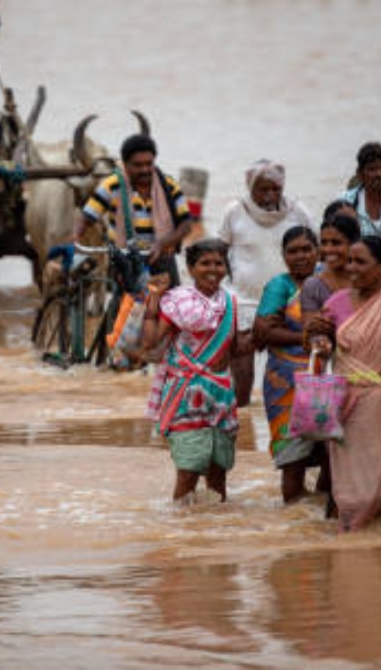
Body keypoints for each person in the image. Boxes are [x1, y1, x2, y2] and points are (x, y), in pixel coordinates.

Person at [305, 235, 381, 532]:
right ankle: (355, 549)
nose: (350, 268)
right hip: (355, 405)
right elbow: (316, 343)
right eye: (349, 260)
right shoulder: (335, 304)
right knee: (361, 493)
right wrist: (317, 340)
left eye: (360, 261)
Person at [140, 238, 242, 503]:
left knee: (219, 474)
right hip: (186, 397)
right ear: (190, 267)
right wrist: (154, 300)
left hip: (220, 397)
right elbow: (151, 342)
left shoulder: (231, 302)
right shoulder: (177, 302)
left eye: (219, 263)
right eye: (204, 263)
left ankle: (210, 536)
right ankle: (182, 533)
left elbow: (234, 350)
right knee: (188, 473)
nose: (213, 269)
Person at [216, 160, 314, 406]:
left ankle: (293, 408)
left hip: (287, 298)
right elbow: (220, 250)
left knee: (290, 358)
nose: (270, 195)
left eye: (276, 189)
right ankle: (243, 414)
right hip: (243, 299)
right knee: (242, 360)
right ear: (250, 187)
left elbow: (316, 247)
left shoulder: (297, 211)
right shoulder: (234, 211)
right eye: (263, 189)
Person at [255, 226, 326, 503]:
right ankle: (294, 521)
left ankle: (316, 523)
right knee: (292, 459)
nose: (300, 257)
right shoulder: (280, 286)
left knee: (331, 453)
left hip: (325, 378)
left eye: (307, 249)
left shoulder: (326, 280)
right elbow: (262, 332)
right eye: (293, 251)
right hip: (286, 384)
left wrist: (284, 329)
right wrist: (308, 336)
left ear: (317, 251)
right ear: (283, 256)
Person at [74, 133, 193, 287]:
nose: (144, 169)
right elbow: (87, 217)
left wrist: (161, 244)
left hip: (162, 258)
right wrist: (74, 238)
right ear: (125, 164)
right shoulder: (112, 185)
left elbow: (186, 225)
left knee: (171, 306)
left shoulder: (169, 185)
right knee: (123, 307)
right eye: (137, 165)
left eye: (149, 164)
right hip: (123, 260)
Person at [300, 212, 361, 319]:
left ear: (354, 244)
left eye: (336, 243)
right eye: (324, 243)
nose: (328, 249)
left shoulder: (369, 280)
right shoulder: (313, 286)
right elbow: (311, 331)